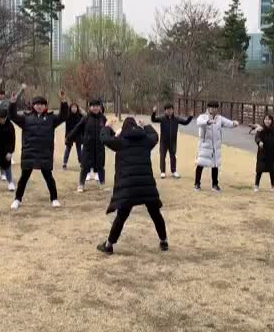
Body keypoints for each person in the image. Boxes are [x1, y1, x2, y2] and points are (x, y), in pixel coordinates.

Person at [96, 117, 168, 255]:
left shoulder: (121, 141)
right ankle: (164, 241)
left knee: (121, 216)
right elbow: (155, 136)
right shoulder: (145, 140)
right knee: (155, 214)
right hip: (146, 185)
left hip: (128, 187)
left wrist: (107, 126)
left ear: (123, 128)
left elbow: (104, 139)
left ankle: (109, 245)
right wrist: (146, 125)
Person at [8, 91, 69, 209]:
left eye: (42, 104)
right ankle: (17, 199)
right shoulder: (26, 118)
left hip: (45, 152)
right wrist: (13, 102)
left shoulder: (51, 118)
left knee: (48, 177)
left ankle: (54, 199)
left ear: (45, 106)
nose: (39, 106)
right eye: (37, 104)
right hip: (29, 151)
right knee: (24, 177)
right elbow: (12, 116)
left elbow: (63, 116)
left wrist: (63, 102)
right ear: (33, 105)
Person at [194, 101, 239, 192]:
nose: (213, 109)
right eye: (211, 107)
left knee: (215, 165)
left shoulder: (219, 118)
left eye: (215, 108)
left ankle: (215, 184)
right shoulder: (203, 117)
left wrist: (234, 123)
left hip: (215, 146)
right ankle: (197, 183)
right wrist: (208, 122)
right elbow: (199, 122)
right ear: (208, 108)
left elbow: (228, 123)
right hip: (205, 146)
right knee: (201, 164)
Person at [66, 99, 107, 192]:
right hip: (88, 147)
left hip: (99, 147)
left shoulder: (103, 118)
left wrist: (115, 135)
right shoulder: (86, 118)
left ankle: (102, 184)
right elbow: (77, 128)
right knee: (84, 167)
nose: (95, 108)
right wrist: (69, 137)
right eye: (93, 106)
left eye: (97, 106)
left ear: (100, 107)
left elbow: (108, 130)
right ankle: (81, 184)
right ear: (90, 107)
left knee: (100, 166)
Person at [151, 103, 193, 179]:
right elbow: (153, 120)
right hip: (163, 141)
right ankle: (163, 172)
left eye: (170, 109)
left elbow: (185, 122)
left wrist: (190, 116)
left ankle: (174, 171)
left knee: (173, 156)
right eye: (167, 110)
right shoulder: (162, 118)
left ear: (173, 110)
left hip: (173, 141)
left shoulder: (176, 119)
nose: (169, 111)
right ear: (165, 111)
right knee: (162, 156)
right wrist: (154, 112)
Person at [253, 115, 274, 193]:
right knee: (259, 170)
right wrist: (259, 142)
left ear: (271, 121)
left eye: (269, 119)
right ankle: (256, 186)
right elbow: (257, 137)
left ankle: (273, 186)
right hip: (262, 153)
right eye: (266, 119)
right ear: (263, 120)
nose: (267, 121)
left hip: (272, 154)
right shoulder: (261, 129)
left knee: (272, 170)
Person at [63, 103, 84, 170]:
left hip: (78, 134)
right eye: (72, 107)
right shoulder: (68, 116)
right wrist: (66, 136)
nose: (74, 109)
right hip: (70, 134)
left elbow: (83, 126)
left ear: (77, 108)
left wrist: (83, 136)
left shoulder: (80, 116)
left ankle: (81, 163)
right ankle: (64, 163)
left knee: (79, 150)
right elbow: (66, 128)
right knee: (68, 149)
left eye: (75, 107)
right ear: (70, 108)